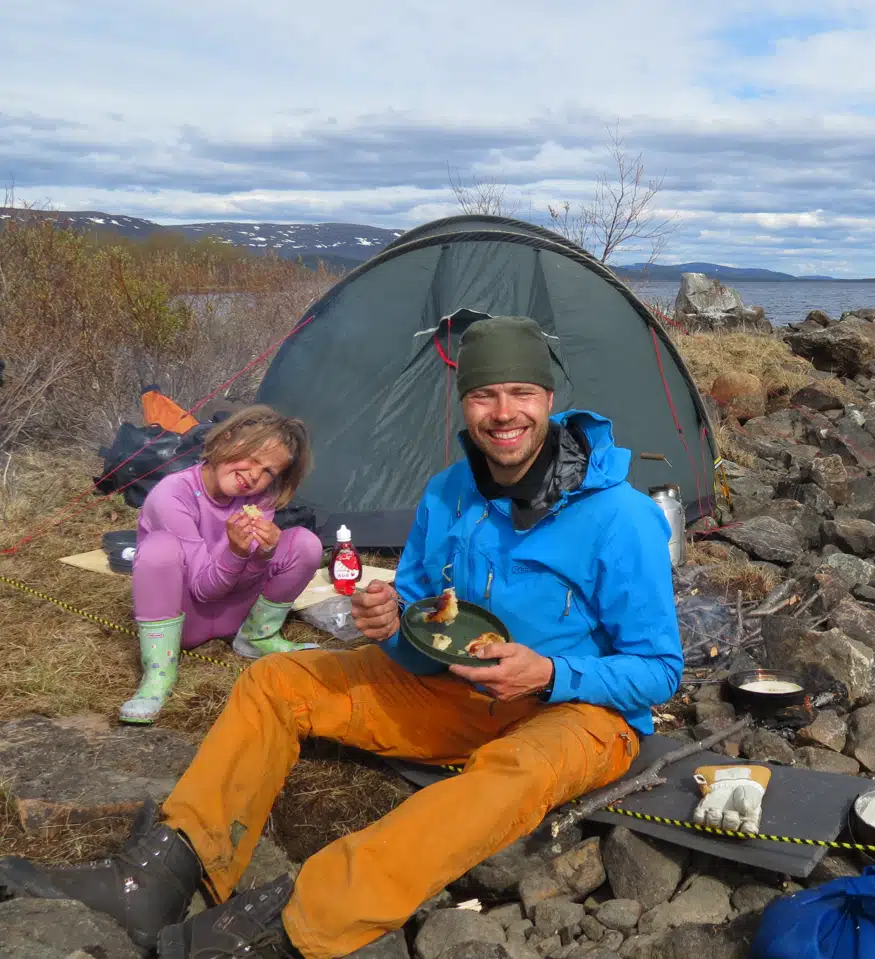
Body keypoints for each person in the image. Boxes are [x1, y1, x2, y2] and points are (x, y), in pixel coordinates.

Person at [0, 316, 683, 959]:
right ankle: (156, 876)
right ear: (464, 404)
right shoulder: (449, 492)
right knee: (276, 680)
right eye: (484, 394)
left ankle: (295, 920)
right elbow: (422, 616)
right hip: (457, 692)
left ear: (549, 397)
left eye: (521, 392)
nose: (504, 412)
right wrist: (392, 626)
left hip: (576, 712)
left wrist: (551, 675)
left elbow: (659, 669)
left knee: (512, 773)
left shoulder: (620, 517)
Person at [120, 405, 324, 724]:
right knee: (159, 549)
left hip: (235, 611)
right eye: (252, 457)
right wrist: (236, 553)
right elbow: (204, 589)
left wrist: (261, 556)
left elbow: (247, 574)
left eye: (269, 471)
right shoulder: (172, 495)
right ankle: (158, 674)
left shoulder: (260, 499)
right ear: (226, 439)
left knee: (304, 542)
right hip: (186, 618)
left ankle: (256, 637)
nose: (255, 475)